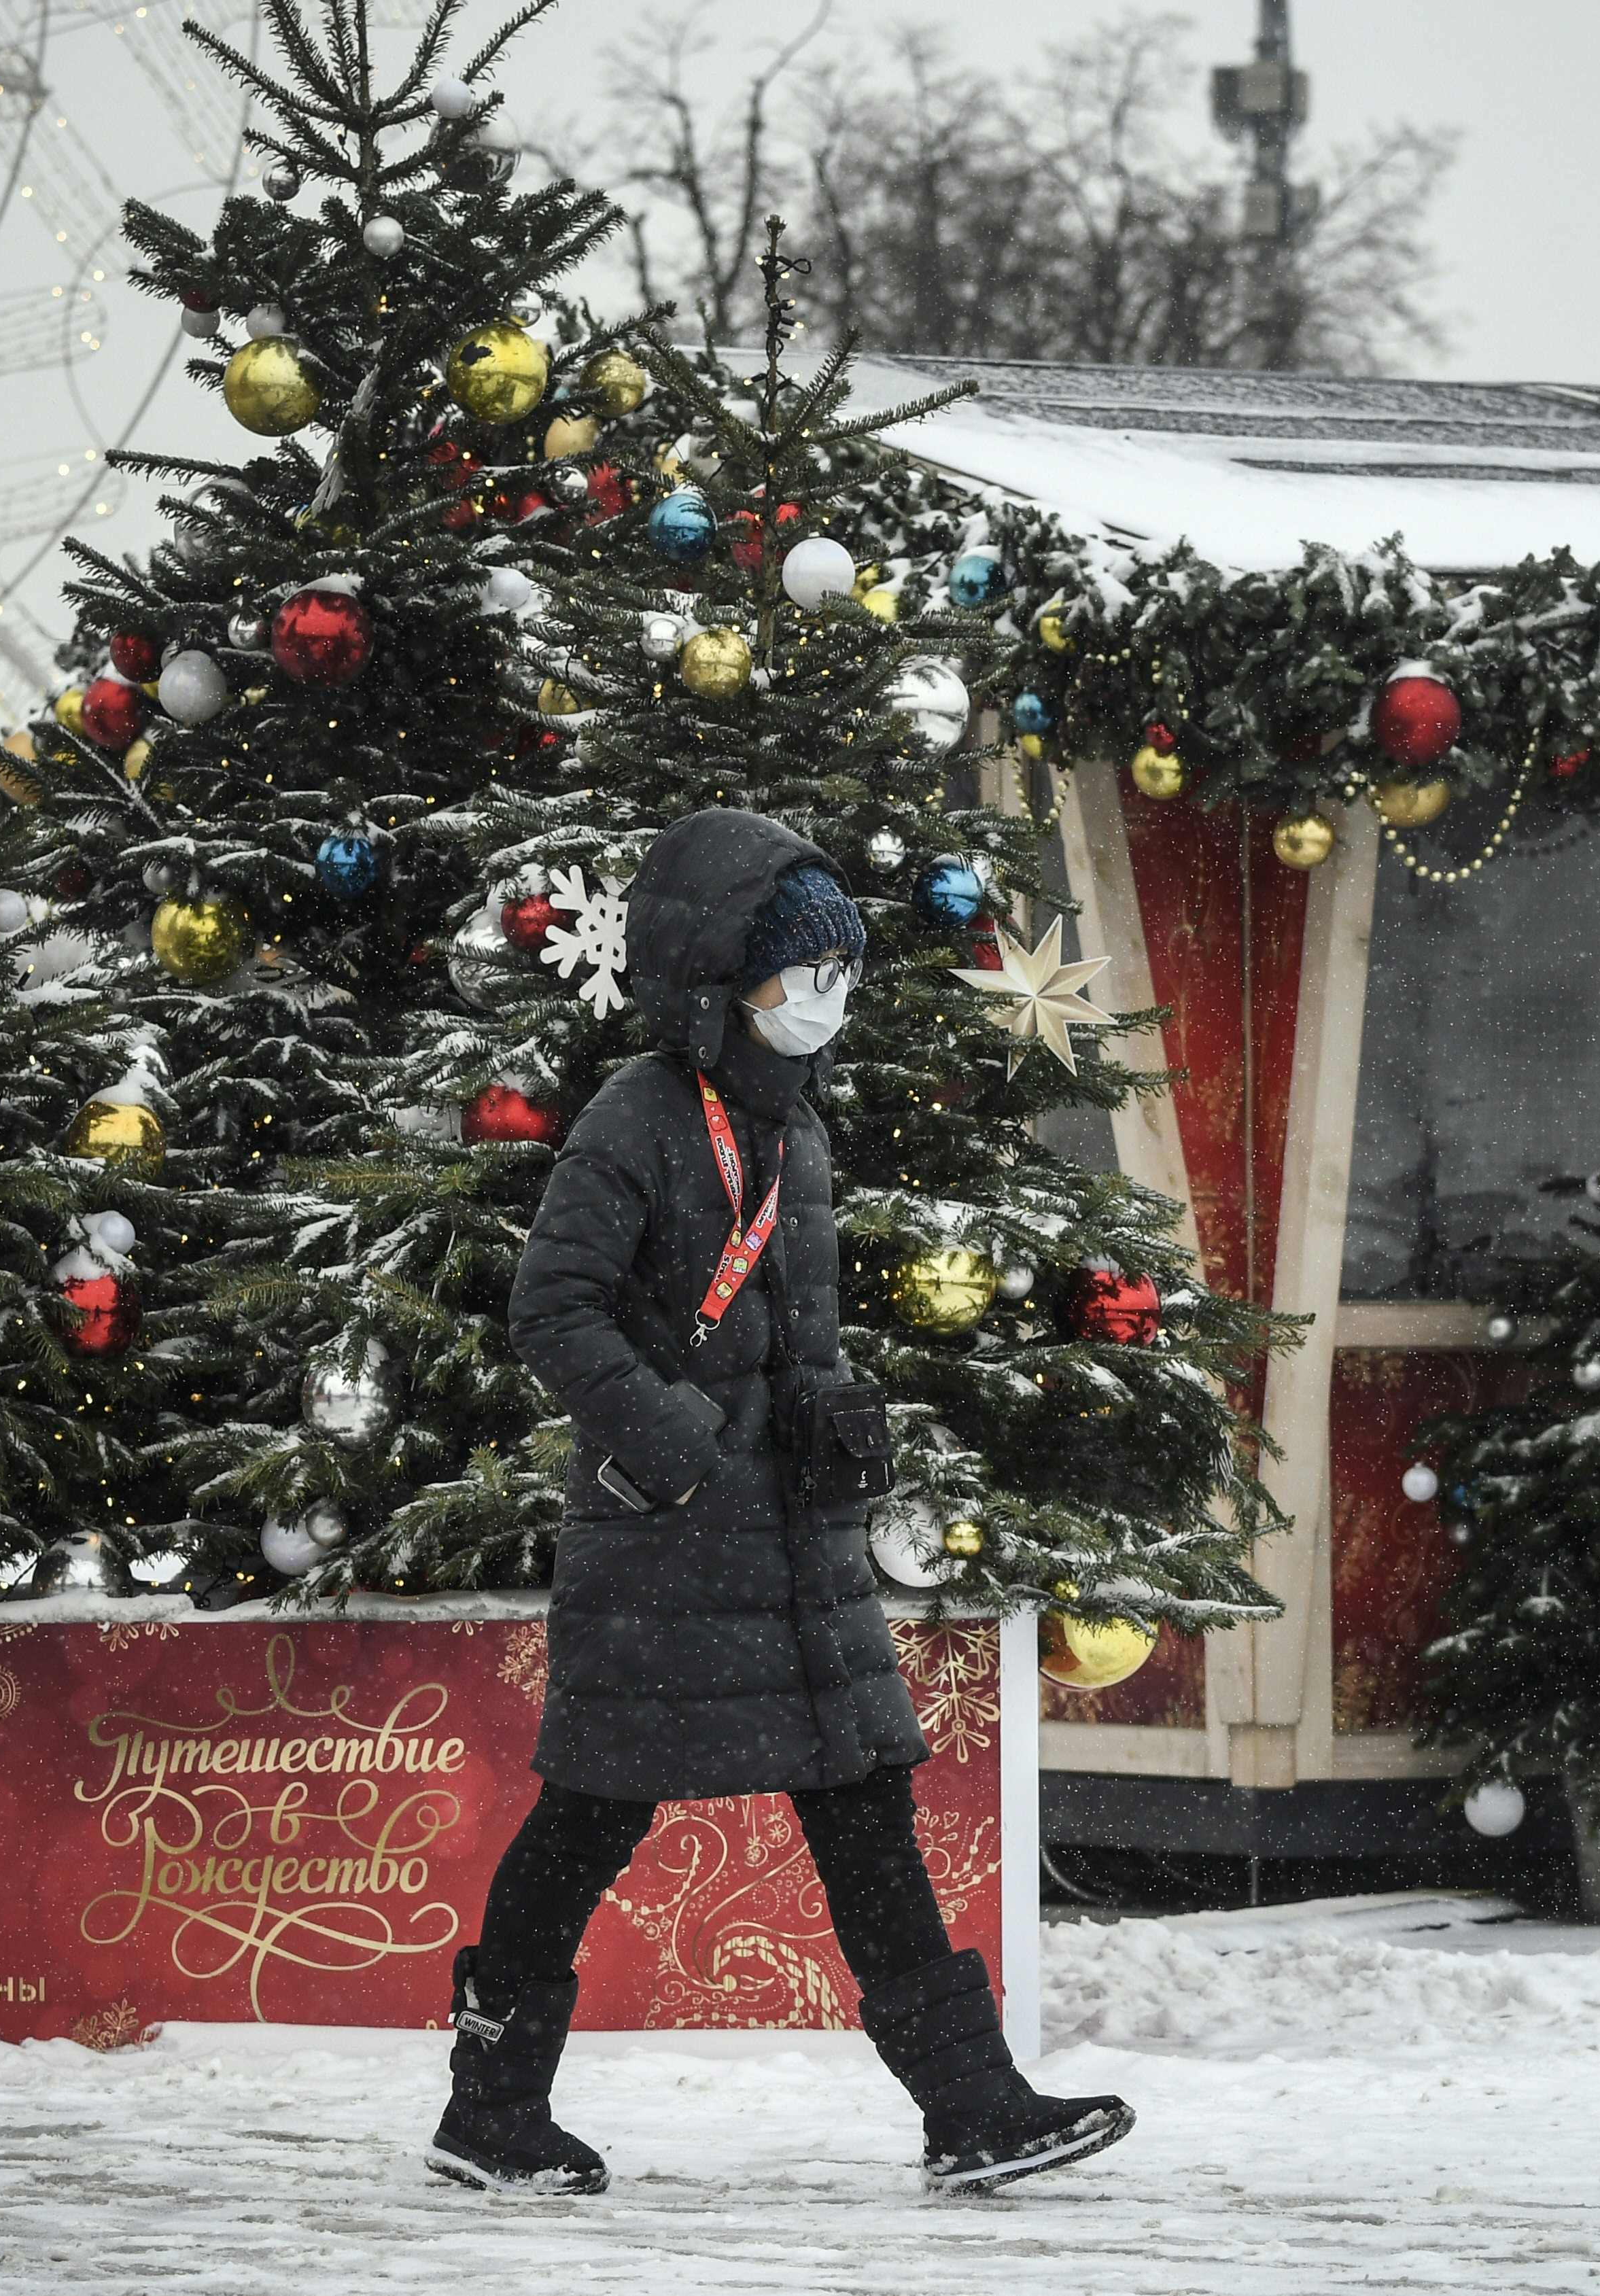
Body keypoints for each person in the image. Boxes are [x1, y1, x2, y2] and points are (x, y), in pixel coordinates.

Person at [429, 806, 1133, 2197]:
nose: (827, 1006)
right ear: (715, 981)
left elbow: (777, 1332)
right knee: (588, 1818)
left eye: (839, 980)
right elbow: (552, 1310)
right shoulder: (638, 1119)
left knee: (865, 1803)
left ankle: (971, 2104)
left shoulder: (790, 1128)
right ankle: (490, 2107)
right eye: (801, 978)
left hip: (793, 1545)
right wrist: (683, 1439)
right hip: (668, 1542)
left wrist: (832, 1416)